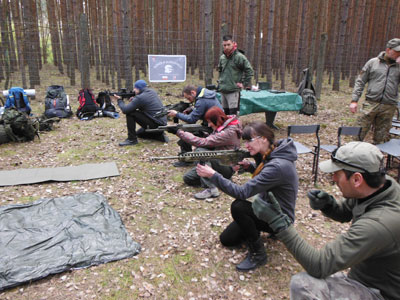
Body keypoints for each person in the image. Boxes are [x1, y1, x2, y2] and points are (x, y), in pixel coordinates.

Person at [252, 141, 400, 300]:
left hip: (380, 293)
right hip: (367, 276)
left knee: (303, 285)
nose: (333, 178)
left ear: (357, 179)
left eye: (337, 173)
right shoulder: (382, 187)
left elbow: (318, 265)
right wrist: (329, 206)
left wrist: (279, 223)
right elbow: (347, 212)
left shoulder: (379, 224)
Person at [196, 121, 298, 271]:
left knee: (239, 206)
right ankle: (255, 229)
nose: (246, 145)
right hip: (270, 209)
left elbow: (242, 192)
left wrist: (214, 175)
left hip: (281, 220)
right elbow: (267, 175)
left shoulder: (277, 165)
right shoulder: (273, 153)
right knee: (227, 240)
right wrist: (250, 167)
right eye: (245, 141)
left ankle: (258, 255)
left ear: (264, 138)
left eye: (250, 140)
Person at [169, 106, 241, 199]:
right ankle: (222, 180)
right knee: (188, 178)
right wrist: (203, 134)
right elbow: (214, 141)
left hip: (226, 165)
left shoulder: (228, 132)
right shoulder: (225, 126)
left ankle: (211, 188)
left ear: (217, 120)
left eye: (210, 122)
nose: (209, 125)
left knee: (200, 152)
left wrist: (179, 132)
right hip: (220, 161)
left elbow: (204, 143)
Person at [350, 38, 400, 144]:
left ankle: (378, 158)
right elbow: (360, 81)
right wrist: (354, 100)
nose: (398, 54)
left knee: (382, 139)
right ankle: (350, 157)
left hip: (389, 106)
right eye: (396, 51)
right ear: (388, 49)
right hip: (371, 103)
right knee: (358, 133)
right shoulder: (373, 63)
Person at [168, 85, 223, 167]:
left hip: (214, 129)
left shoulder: (202, 100)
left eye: (188, 98)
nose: (189, 101)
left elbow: (192, 119)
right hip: (215, 126)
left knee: (185, 133)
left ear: (193, 93)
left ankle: (186, 160)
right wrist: (193, 109)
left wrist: (177, 114)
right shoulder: (207, 95)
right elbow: (204, 109)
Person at [112, 80, 169, 146]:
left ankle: (132, 140)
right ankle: (159, 135)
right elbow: (145, 102)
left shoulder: (140, 97)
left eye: (135, 88)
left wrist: (119, 100)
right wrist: (135, 100)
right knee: (139, 134)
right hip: (161, 123)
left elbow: (125, 110)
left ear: (139, 88)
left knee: (130, 113)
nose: (134, 90)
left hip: (155, 123)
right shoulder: (152, 92)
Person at [217, 34, 254, 115]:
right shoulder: (222, 58)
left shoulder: (240, 57)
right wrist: (220, 82)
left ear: (233, 43)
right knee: (224, 114)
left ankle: (234, 128)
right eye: (224, 45)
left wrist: (243, 83)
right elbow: (220, 71)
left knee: (233, 115)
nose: (226, 47)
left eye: (228, 45)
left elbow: (249, 71)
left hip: (233, 91)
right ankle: (226, 128)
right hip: (223, 90)